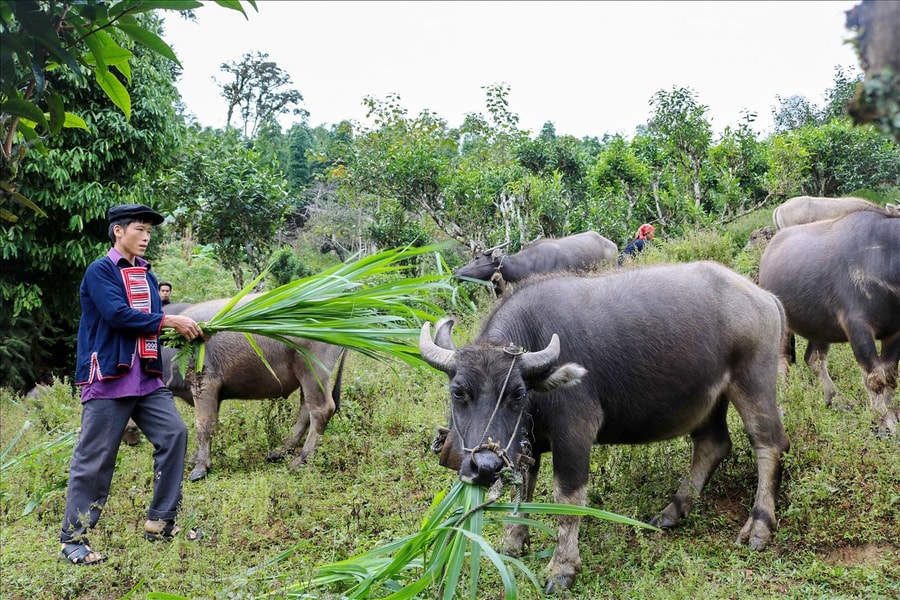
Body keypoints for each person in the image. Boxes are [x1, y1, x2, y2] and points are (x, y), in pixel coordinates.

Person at [58, 204, 204, 566]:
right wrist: (170, 321)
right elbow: (118, 315)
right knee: (95, 458)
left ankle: (161, 521)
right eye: (140, 229)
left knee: (174, 434)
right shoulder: (100, 271)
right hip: (110, 375)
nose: (146, 237)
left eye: (150, 232)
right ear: (118, 231)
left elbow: (150, 321)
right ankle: (73, 540)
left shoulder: (147, 276)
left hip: (147, 377)